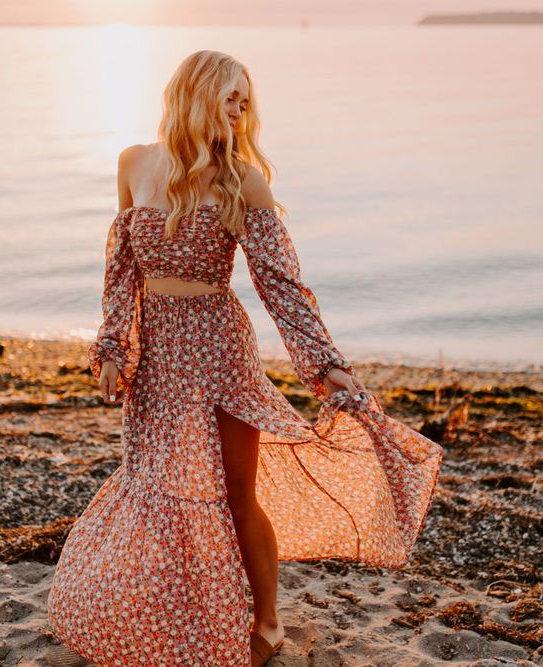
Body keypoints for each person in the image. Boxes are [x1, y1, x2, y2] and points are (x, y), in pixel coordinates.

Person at [47, 50, 444, 667]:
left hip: (219, 348)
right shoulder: (133, 164)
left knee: (235, 490)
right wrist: (110, 345)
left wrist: (323, 362)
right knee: (152, 485)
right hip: (157, 352)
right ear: (196, 94)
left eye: (244, 102)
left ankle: (266, 620)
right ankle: (172, 609)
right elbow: (121, 271)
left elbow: (279, 283)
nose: (240, 110)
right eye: (230, 97)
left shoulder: (242, 180)